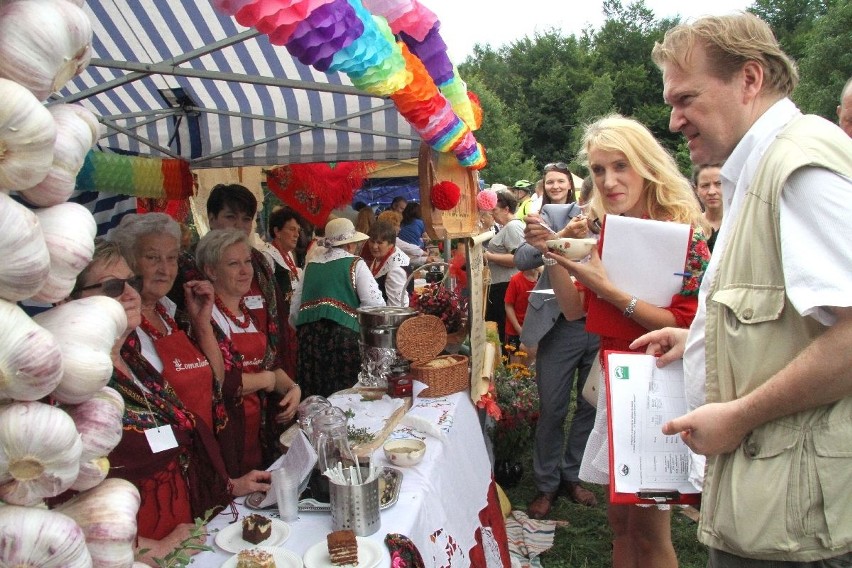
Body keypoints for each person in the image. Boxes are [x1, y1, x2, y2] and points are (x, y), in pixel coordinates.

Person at [628, 13, 852, 567]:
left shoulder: (798, 168)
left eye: (686, 99)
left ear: (749, 79)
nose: (675, 120)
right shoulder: (761, 166)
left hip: (794, 518)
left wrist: (739, 415)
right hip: (775, 500)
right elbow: (788, 317)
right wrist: (702, 340)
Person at [540, 116, 710, 568]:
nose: (609, 181)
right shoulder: (606, 229)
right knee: (621, 524)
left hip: (660, 389)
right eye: (598, 170)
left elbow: (688, 325)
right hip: (620, 385)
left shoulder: (681, 234)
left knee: (650, 534)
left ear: (646, 166)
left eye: (621, 166)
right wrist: (558, 254)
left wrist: (611, 289)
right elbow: (576, 310)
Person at [71, 239, 271, 565]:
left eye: (132, 282)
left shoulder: (135, 359)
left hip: (183, 537)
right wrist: (152, 549)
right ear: (71, 299)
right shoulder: (72, 385)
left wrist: (228, 486)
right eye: (111, 287)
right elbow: (62, 507)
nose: (130, 294)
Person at [514, 161, 600, 520]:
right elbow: (522, 259)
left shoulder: (598, 211)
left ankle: (573, 474)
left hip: (598, 320)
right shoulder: (540, 215)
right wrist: (560, 232)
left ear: (572, 185)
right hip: (558, 324)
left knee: (589, 406)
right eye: (549, 181)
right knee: (552, 408)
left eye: (560, 181)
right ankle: (546, 483)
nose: (554, 186)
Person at [196, 229, 301, 474]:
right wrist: (266, 380)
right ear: (211, 271)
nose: (245, 271)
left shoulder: (248, 315)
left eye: (247, 262)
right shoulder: (203, 319)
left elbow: (271, 364)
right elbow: (214, 381)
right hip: (227, 435)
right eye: (233, 264)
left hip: (256, 432)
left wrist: (293, 389)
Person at [293, 218, 385, 397]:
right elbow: (375, 306)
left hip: (309, 341)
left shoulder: (311, 265)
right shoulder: (355, 263)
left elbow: (295, 309)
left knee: (315, 396)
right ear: (350, 245)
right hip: (343, 339)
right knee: (344, 396)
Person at [484, 189, 525, 346]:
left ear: (506, 209)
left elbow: (518, 258)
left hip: (505, 285)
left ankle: (510, 364)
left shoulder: (512, 227)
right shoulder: (508, 227)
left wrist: (488, 256)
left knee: (503, 329)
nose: (492, 214)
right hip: (501, 284)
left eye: (495, 210)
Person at [267, 206, 303, 375]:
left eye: (298, 230)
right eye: (291, 229)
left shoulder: (288, 255)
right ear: (277, 231)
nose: (297, 234)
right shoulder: (268, 256)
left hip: (289, 327)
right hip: (275, 328)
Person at [365, 220, 410, 307]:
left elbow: (397, 307)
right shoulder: (381, 257)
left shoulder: (395, 270)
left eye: (379, 243)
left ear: (391, 244)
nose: (374, 246)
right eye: (372, 241)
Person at [504, 266, 540, 350]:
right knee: (516, 361)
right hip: (515, 330)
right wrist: (518, 328)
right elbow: (508, 305)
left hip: (535, 329)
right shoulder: (516, 280)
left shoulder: (542, 280)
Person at [693, 163, 724, 252]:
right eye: (705, 185)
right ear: (696, 190)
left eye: (718, 184)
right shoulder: (690, 225)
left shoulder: (737, 226)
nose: (711, 192)